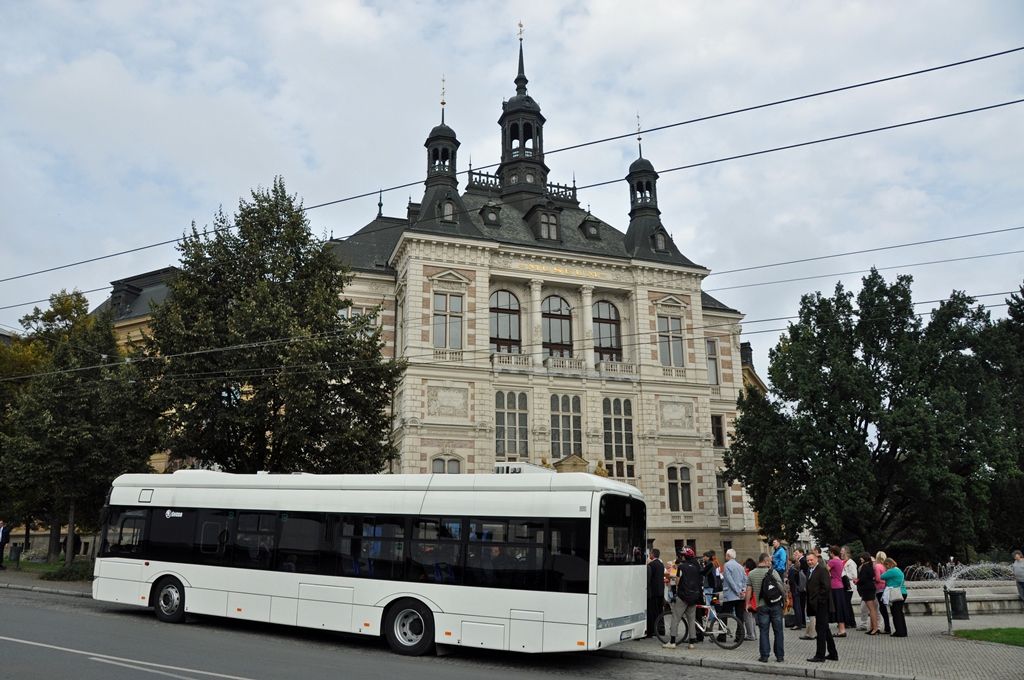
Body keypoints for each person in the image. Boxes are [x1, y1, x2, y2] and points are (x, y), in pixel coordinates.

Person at [747, 552, 785, 663]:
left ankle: (764, 656)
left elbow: (749, 590)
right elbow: (781, 587)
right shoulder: (773, 572)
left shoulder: (751, 574)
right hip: (775, 605)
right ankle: (780, 656)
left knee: (763, 631)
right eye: (770, 561)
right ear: (766, 561)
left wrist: (747, 603)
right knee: (778, 631)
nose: (770, 563)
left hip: (761, 606)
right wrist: (784, 599)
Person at [663, 548, 702, 649]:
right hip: (694, 596)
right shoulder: (695, 567)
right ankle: (692, 642)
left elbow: (677, 581)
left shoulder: (681, 567)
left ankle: (672, 642)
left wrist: (677, 586)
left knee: (675, 618)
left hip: (683, 596)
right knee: (691, 619)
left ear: (684, 557)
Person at [805, 550, 838, 662]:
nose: (809, 562)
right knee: (825, 628)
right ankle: (833, 653)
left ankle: (820, 655)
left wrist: (819, 600)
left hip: (822, 604)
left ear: (816, 559)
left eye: (811, 560)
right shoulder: (810, 570)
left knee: (820, 629)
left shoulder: (822, 570)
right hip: (814, 604)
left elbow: (826, 587)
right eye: (808, 560)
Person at [721, 548, 747, 636]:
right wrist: (743, 590)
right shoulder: (740, 566)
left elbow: (730, 580)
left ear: (728, 555)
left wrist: (737, 591)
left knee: (724, 615)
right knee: (740, 616)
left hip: (729, 595)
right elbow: (745, 580)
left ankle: (722, 635)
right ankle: (739, 635)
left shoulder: (727, 565)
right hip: (740, 596)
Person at [881, 557, 908, 637]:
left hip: (896, 593)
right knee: (900, 613)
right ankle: (903, 631)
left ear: (888, 564)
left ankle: (899, 632)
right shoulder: (898, 570)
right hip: (902, 592)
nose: (885, 568)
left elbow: (882, 576)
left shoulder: (892, 571)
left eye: (885, 566)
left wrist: (886, 571)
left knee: (896, 613)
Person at [826, 545, 848, 637]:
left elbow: (825, 572)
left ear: (832, 553)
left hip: (834, 586)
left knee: (837, 608)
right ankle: (842, 629)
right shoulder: (840, 561)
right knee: (840, 607)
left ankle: (841, 630)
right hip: (840, 585)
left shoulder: (832, 561)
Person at [856, 552, 880, 634]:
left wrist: (857, 581)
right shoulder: (870, 565)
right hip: (870, 588)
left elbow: (863, 579)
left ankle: (875, 628)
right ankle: (872, 627)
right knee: (872, 609)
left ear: (864, 558)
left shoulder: (865, 566)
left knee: (872, 609)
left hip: (867, 589)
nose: (860, 558)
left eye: (861, 557)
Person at [647, 548, 665, 638]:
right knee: (660, 611)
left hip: (654, 591)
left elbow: (649, 578)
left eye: (650, 553)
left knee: (653, 611)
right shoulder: (661, 564)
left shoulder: (651, 565)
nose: (649, 555)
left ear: (653, 554)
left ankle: (654, 630)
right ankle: (661, 629)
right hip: (661, 590)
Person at [788, 550, 807, 630]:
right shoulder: (797, 568)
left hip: (795, 590)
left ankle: (798, 624)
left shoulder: (792, 569)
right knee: (799, 607)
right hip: (798, 589)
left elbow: (792, 581)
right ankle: (801, 622)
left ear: (790, 561)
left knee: (797, 607)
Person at [840, 546, 858, 631]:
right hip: (843, 585)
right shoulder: (842, 562)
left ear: (846, 552)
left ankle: (850, 622)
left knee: (847, 604)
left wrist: (844, 575)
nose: (840, 552)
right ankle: (848, 621)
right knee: (846, 604)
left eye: (842, 551)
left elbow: (854, 575)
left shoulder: (851, 563)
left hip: (848, 585)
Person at [874, 551, 892, 634]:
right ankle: (887, 627)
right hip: (886, 588)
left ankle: (887, 628)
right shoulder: (886, 566)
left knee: (882, 609)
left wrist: (873, 579)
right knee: (884, 609)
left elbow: (878, 578)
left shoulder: (877, 566)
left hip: (879, 589)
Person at [701, 550, 720, 622]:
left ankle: (713, 618)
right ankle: (713, 616)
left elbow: (703, 572)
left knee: (709, 603)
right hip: (715, 586)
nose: (703, 558)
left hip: (709, 586)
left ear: (708, 557)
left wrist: (701, 567)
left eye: (704, 556)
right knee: (714, 602)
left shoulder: (710, 564)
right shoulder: (714, 563)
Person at [743, 557, 758, 642]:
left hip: (749, 598)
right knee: (752, 617)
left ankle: (750, 634)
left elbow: (747, 588)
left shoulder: (747, 574)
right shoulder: (754, 574)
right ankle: (754, 634)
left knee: (747, 616)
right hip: (755, 598)